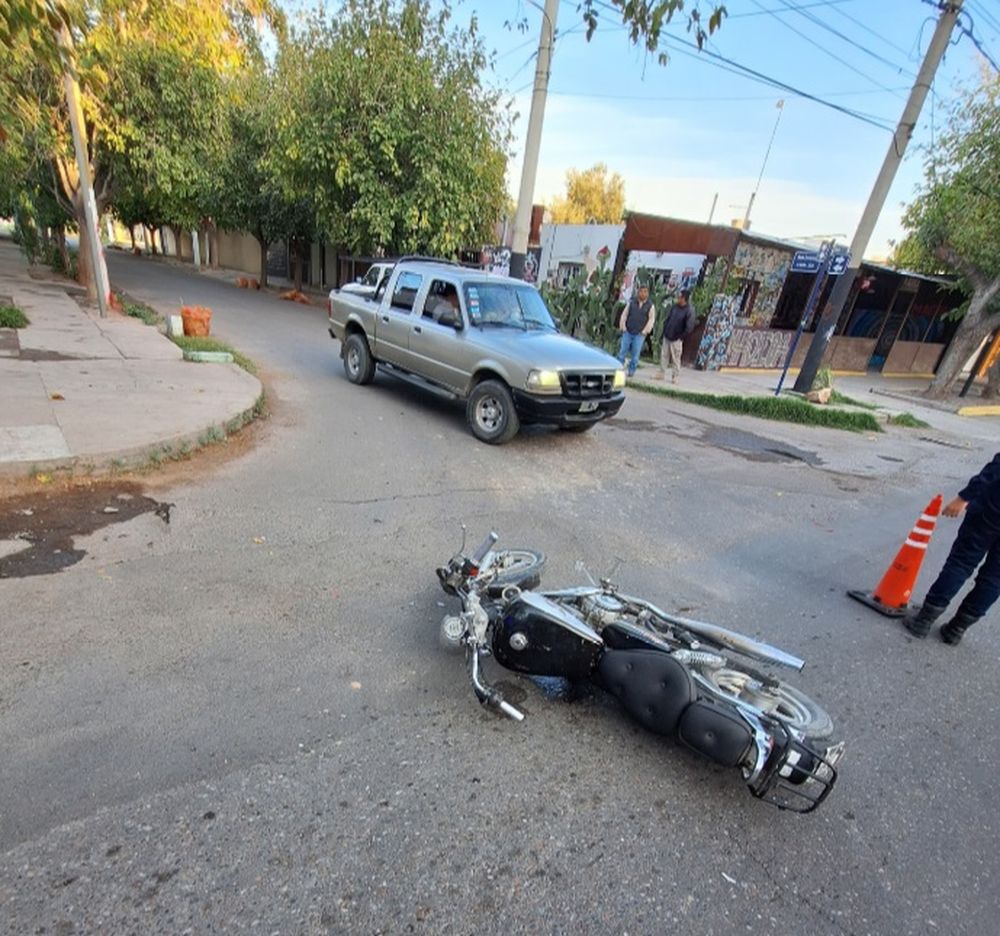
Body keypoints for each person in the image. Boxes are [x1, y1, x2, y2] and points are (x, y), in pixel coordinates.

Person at [904, 452, 1000, 645]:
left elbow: (997, 468)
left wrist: (965, 496)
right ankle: (957, 629)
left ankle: (924, 620)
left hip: (992, 509)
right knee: (995, 577)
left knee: (962, 562)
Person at [656, 289, 696, 383]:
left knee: (676, 358)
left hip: (677, 338)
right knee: (664, 355)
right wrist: (665, 330)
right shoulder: (674, 307)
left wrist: (681, 336)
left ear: (684, 298)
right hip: (667, 335)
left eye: (680, 297)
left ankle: (675, 376)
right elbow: (668, 318)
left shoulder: (689, 311)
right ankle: (661, 373)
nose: (678, 298)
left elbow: (689, 327)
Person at [617, 283, 655, 378]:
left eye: (645, 292)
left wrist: (645, 331)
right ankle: (619, 370)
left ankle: (631, 371)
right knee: (622, 352)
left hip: (639, 334)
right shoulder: (631, 302)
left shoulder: (650, 306)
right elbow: (624, 315)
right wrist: (623, 327)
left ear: (648, 293)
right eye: (641, 291)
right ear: (638, 292)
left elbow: (651, 319)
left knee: (635, 355)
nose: (643, 293)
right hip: (628, 331)